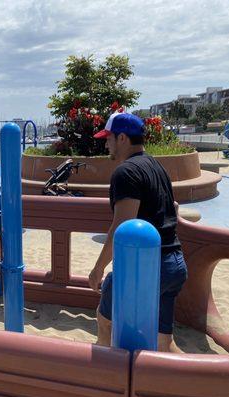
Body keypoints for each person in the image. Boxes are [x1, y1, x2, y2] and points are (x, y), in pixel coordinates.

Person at [88, 112, 187, 353]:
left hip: (146, 266)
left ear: (122, 138)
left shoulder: (126, 173)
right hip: (174, 263)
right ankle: (207, 384)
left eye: (109, 138)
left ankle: (106, 381)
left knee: (106, 323)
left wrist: (98, 268)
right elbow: (172, 208)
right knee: (164, 341)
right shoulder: (156, 166)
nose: (106, 143)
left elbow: (122, 228)